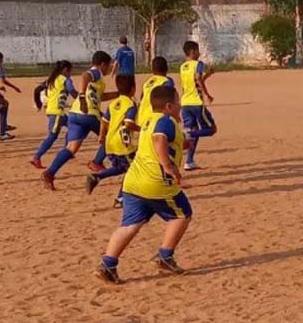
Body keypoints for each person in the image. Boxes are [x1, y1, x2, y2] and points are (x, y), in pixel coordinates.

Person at [95, 84, 192, 284]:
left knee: (130, 225)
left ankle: (108, 264)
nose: (180, 105)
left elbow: (162, 140)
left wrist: (184, 144)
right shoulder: (166, 122)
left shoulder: (150, 120)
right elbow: (159, 139)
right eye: (177, 102)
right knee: (183, 214)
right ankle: (165, 256)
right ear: (169, 106)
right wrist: (167, 165)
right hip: (155, 182)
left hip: (133, 182)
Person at [42, 51, 118, 190]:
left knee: (71, 148)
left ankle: (50, 173)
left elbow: (101, 96)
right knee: (111, 137)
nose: (110, 68)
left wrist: (119, 94)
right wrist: (82, 95)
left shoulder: (97, 81)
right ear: (102, 64)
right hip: (88, 114)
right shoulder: (95, 73)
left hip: (75, 114)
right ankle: (97, 162)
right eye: (109, 65)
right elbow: (85, 75)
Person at [87, 73, 139, 204]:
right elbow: (128, 123)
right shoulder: (131, 104)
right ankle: (121, 197)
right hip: (123, 144)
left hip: (110, 144)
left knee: (121, 168)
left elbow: (104, 121)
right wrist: (141, 128)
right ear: (133, 89)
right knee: (133, 169)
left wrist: (101, 135)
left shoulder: (113, 103)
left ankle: (97, 176)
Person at [30, 60, 77, 169]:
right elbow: (72, 91)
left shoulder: (52, 79)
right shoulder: (65, 79)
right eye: (70, 71)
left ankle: (67, 150)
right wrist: (82, 97)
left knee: (73, 127)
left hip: (55, 111)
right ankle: (36, 157)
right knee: (52, 136)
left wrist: (39, 103)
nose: (70, 74)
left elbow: (38, 89)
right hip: (56, 112)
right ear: (65, 70)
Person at [180, 40, 217, 171]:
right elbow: (198, 78)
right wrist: (207, 95)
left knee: (193, 130)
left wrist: (208, 75)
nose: (199, 53)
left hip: (185, 104)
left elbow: (194, 82)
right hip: (196, 103)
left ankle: (189, 161)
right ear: (192, 52)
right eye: (197, 50)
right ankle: (188, 135)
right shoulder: (198, 64)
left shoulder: (183, 67)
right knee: (212, 129)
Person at [137, 56, 175, 127]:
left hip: (142, 116)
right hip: (156, 118)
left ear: (152, 69)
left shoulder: (147, 82)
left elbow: (141, 98)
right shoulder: (166, 82)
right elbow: (169, 100)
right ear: (166, 68)